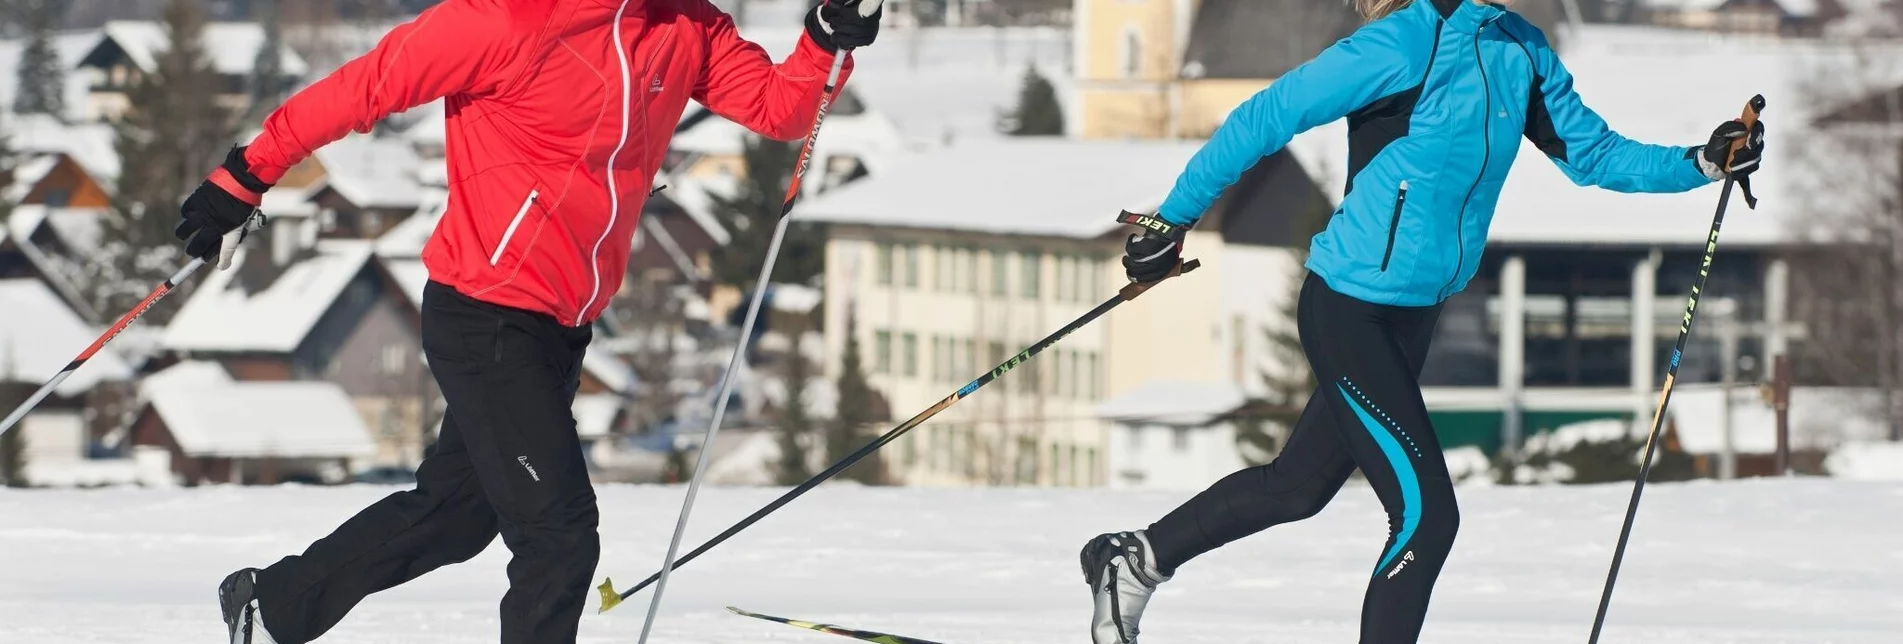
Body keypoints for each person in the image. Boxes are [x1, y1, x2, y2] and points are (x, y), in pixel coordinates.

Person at [173, 1, 884, 642]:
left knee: (455, 515)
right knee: (559, 537)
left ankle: (274, 605)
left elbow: (779, 108)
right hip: (486, 313)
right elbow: (363, 88)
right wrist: (244, 177)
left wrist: (826, 36)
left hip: (562, 324)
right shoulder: (505, 20)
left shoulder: (681, 25)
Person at [1080, 0, 1764, 642]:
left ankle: (1136, 558)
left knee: (1296, 486)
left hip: (1412, 316)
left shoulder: (1518, 48)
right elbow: (1266, 115)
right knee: (1427, 519)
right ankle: (1137, 561)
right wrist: (1171, 217)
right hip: (1347, 309)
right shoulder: (1401, 41)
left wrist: (1701, 162)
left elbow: (1594, 155)